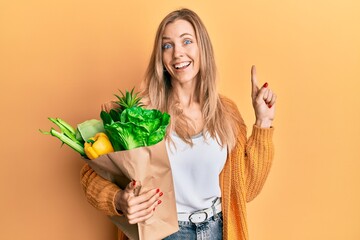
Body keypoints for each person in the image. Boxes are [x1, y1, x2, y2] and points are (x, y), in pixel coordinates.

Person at [80, 8, 276, 240]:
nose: (177, 54)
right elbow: (90, 175)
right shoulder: (141, 113)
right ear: (160, 58)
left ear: (202, 48)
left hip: (218, 230)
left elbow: (246, 188)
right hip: (166, 233)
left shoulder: (226, 112)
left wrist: (264, 121)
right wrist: (119, 200)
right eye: (167, 45)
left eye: (186, 41)